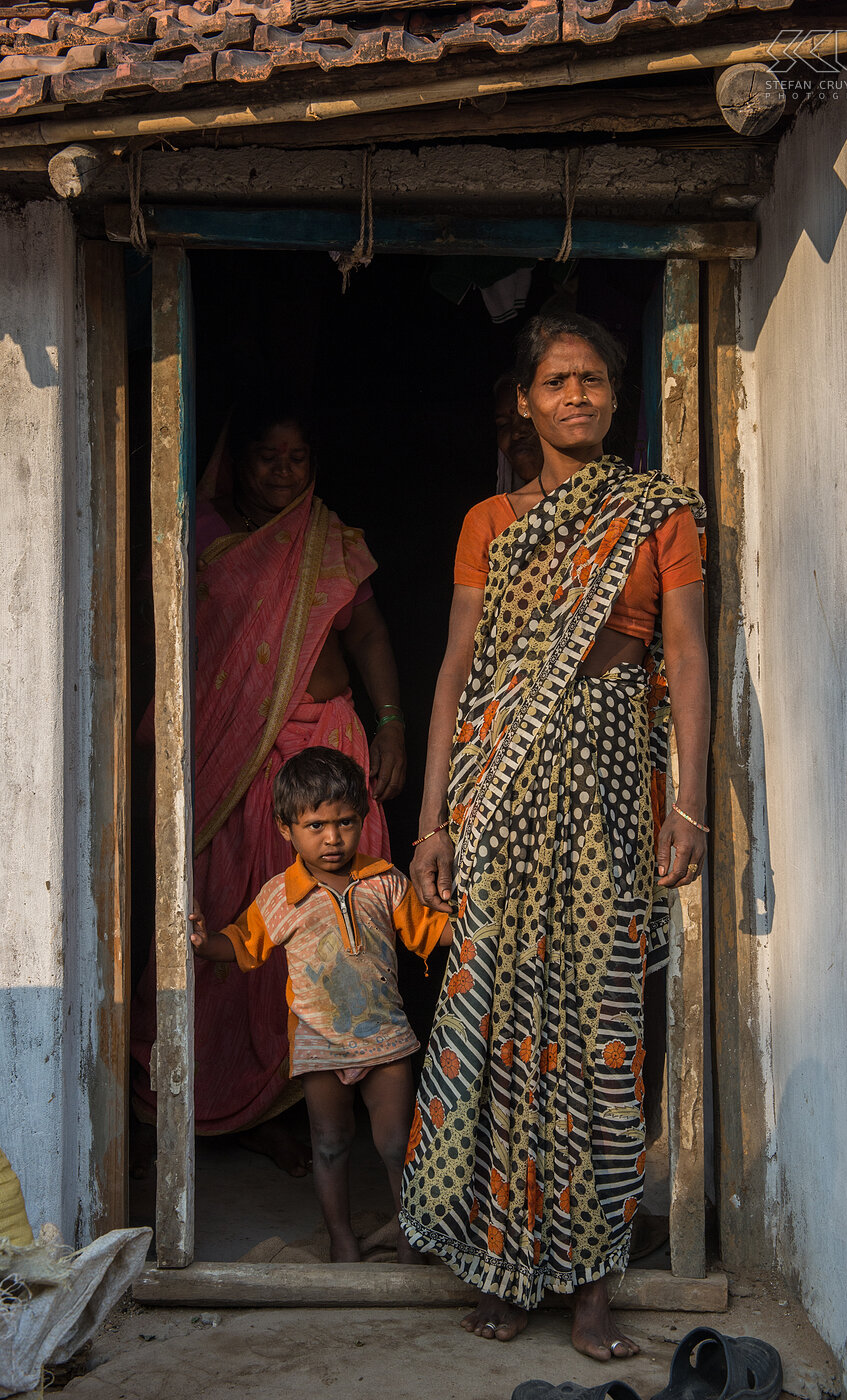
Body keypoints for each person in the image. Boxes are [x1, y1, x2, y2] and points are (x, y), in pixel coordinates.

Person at [401, 313, 709, 1360]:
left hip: (614, 788)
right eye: (556, 381)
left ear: (616, 401)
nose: (577, 394)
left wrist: (690, 801)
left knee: (599, 1034)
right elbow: (454, 669)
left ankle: (593, 1282)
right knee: (496, 1027)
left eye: (593, 381)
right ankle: (504, 1261)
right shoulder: (488, 521)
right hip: (502, 791)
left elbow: (690, 657)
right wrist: (433, 818)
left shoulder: (656, 511)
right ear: (525, 402)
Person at [130, 402, 406, 1175]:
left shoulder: (331, 539)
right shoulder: (205, 540)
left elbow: (371, 635)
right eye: (267, 458)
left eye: (297, 457)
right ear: (237, 461)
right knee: (241, 919)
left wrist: (391, 725)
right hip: (239, 760)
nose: (284, 473)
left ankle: (315, 1097)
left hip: (330, 748)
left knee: (343, 925)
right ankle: (230, 1106)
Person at [189, 747, 451, 1262]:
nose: (332, 839)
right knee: (329, 1144)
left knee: (398, 1144)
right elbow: (243, 943)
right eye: (315, 826)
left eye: (345, 822)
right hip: (319, 1042)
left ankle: (412, 1241)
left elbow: (429, 932)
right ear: (286, 829)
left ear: (363, 818)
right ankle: (342, 1241)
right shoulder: (279, 896)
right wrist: (202, 942)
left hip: (384, 1038)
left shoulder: (385, 881)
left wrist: (483, 921)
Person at [494, 371, 543, 491]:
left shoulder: (595, 503)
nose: (516, 434)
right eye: (503, 424)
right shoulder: (494, 509)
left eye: (528, 418)